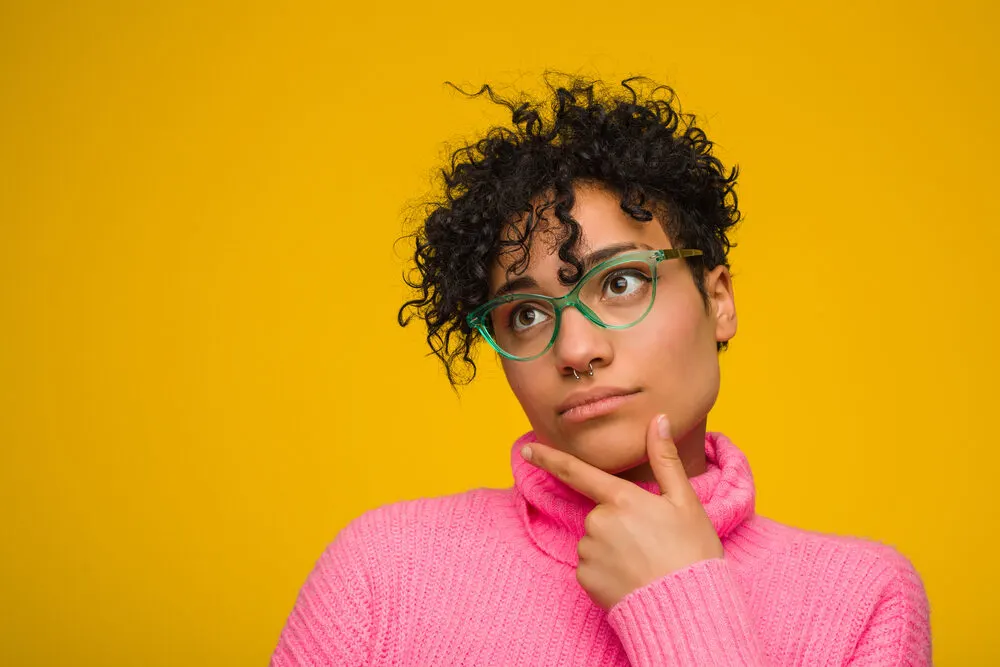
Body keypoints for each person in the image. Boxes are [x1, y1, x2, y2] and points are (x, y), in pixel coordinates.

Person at [270, 75, 932, 665]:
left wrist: (682, 601)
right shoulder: (388, 570)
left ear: (719, 299)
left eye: (619, 283)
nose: (576, 349)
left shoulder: (866, 602)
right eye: (526, 314)